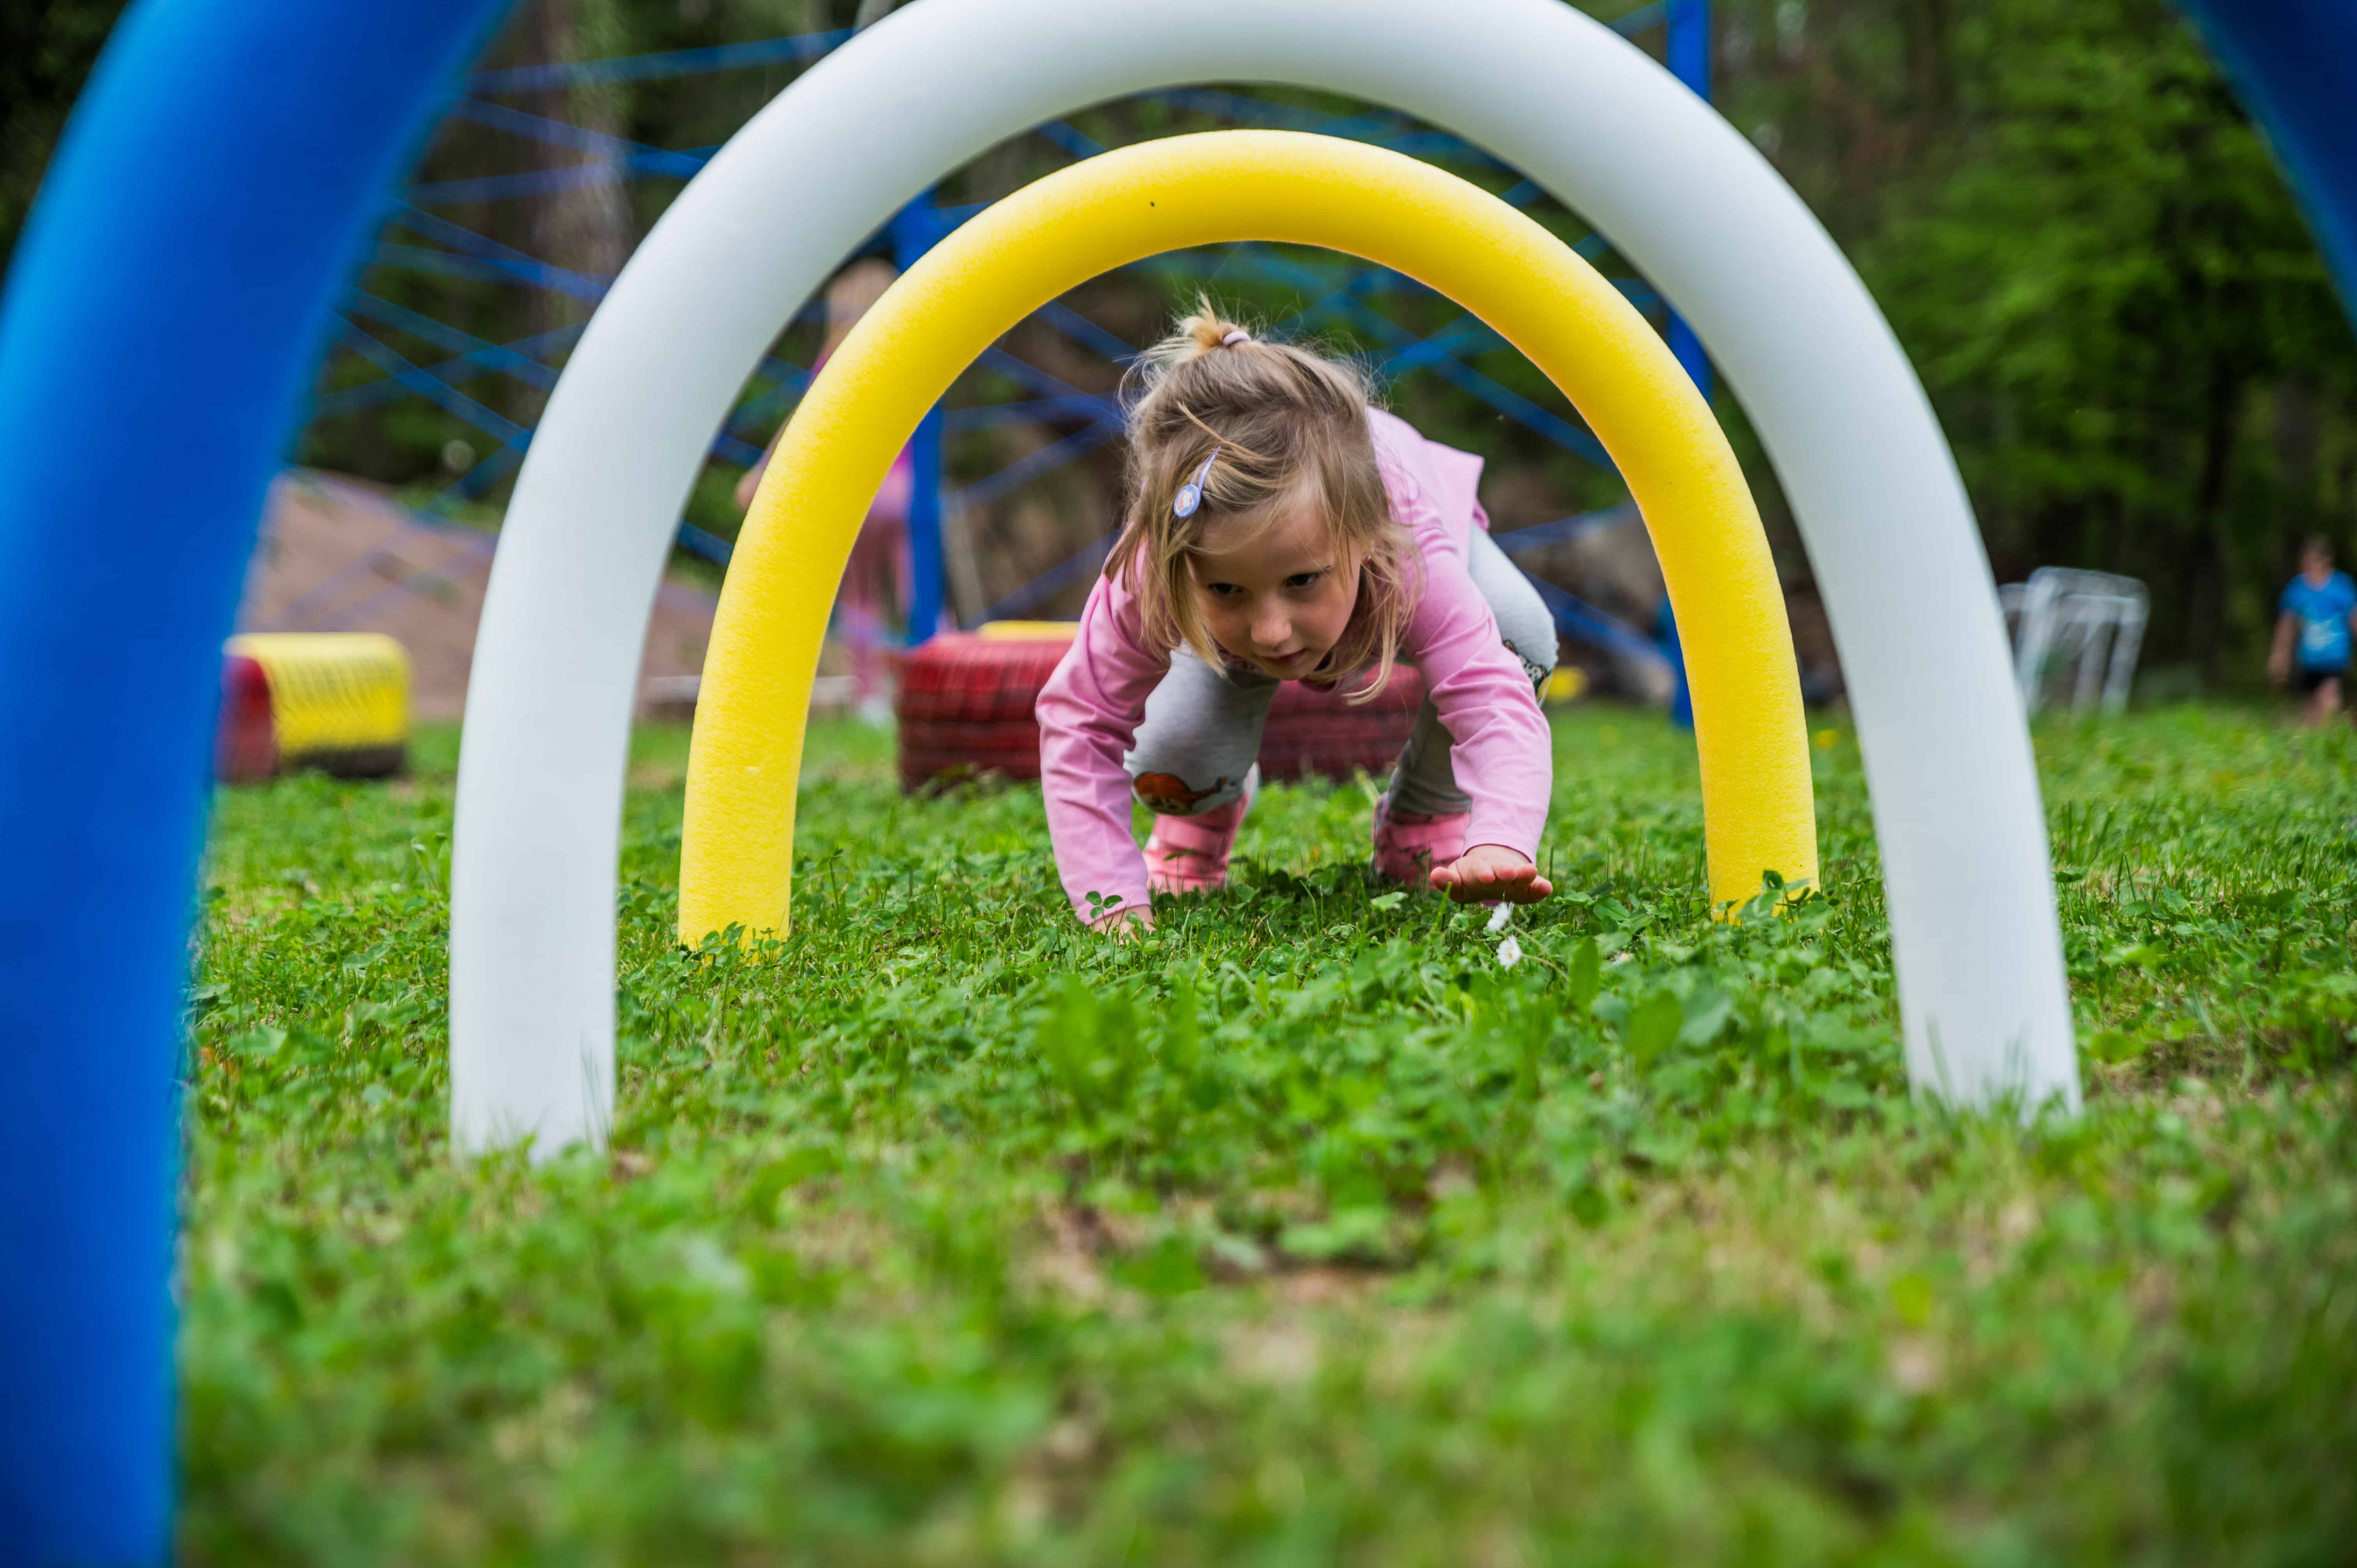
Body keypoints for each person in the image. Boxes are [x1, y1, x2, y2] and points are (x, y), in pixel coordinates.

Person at [1035, 305, 1558, 932]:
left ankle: (1424, 816)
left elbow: (1488, 694)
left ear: (1364, 540)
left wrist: (1501, 838)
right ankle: (1202, 813)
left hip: (1412, 526)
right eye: (1227, 589)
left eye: (1302, 582)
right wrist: (1111, 904)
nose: (1271, 632)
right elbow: (1083, 721)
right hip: (1219, 642)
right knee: (1174, 756)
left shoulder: (1403, 545)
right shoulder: (1155, 562)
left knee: (1519, 637)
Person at [2268, 535, 2357, 726]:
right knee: (2310, 714)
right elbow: (2287, 626)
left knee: (2330, 699)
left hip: (2335, 658)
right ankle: (2313, 740)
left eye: (2314, 561)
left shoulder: (2342, 587)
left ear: (2326, 560)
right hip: (2309, 661)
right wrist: (2280, 657)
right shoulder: (2297, 589)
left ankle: (2327, 736)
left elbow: (2354, 619)